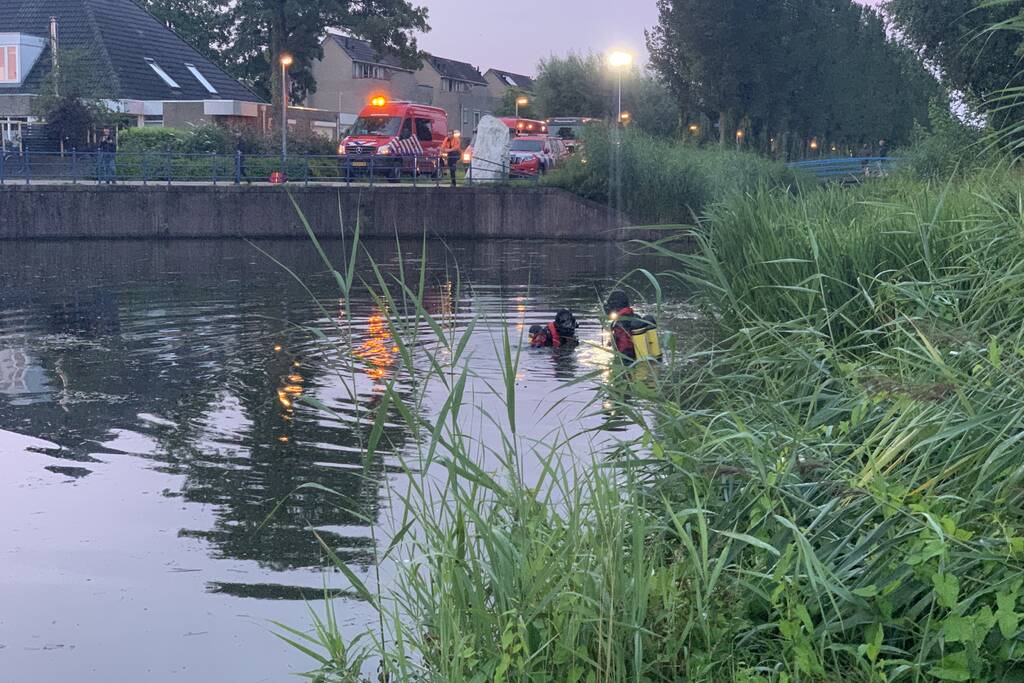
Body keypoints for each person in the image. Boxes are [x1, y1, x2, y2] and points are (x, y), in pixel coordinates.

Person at [604, 290, 661, 363]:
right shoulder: (636, 317)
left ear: (614, 306)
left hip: (627, 359)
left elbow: (618, 344)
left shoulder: (618, 323)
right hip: (645, 356)